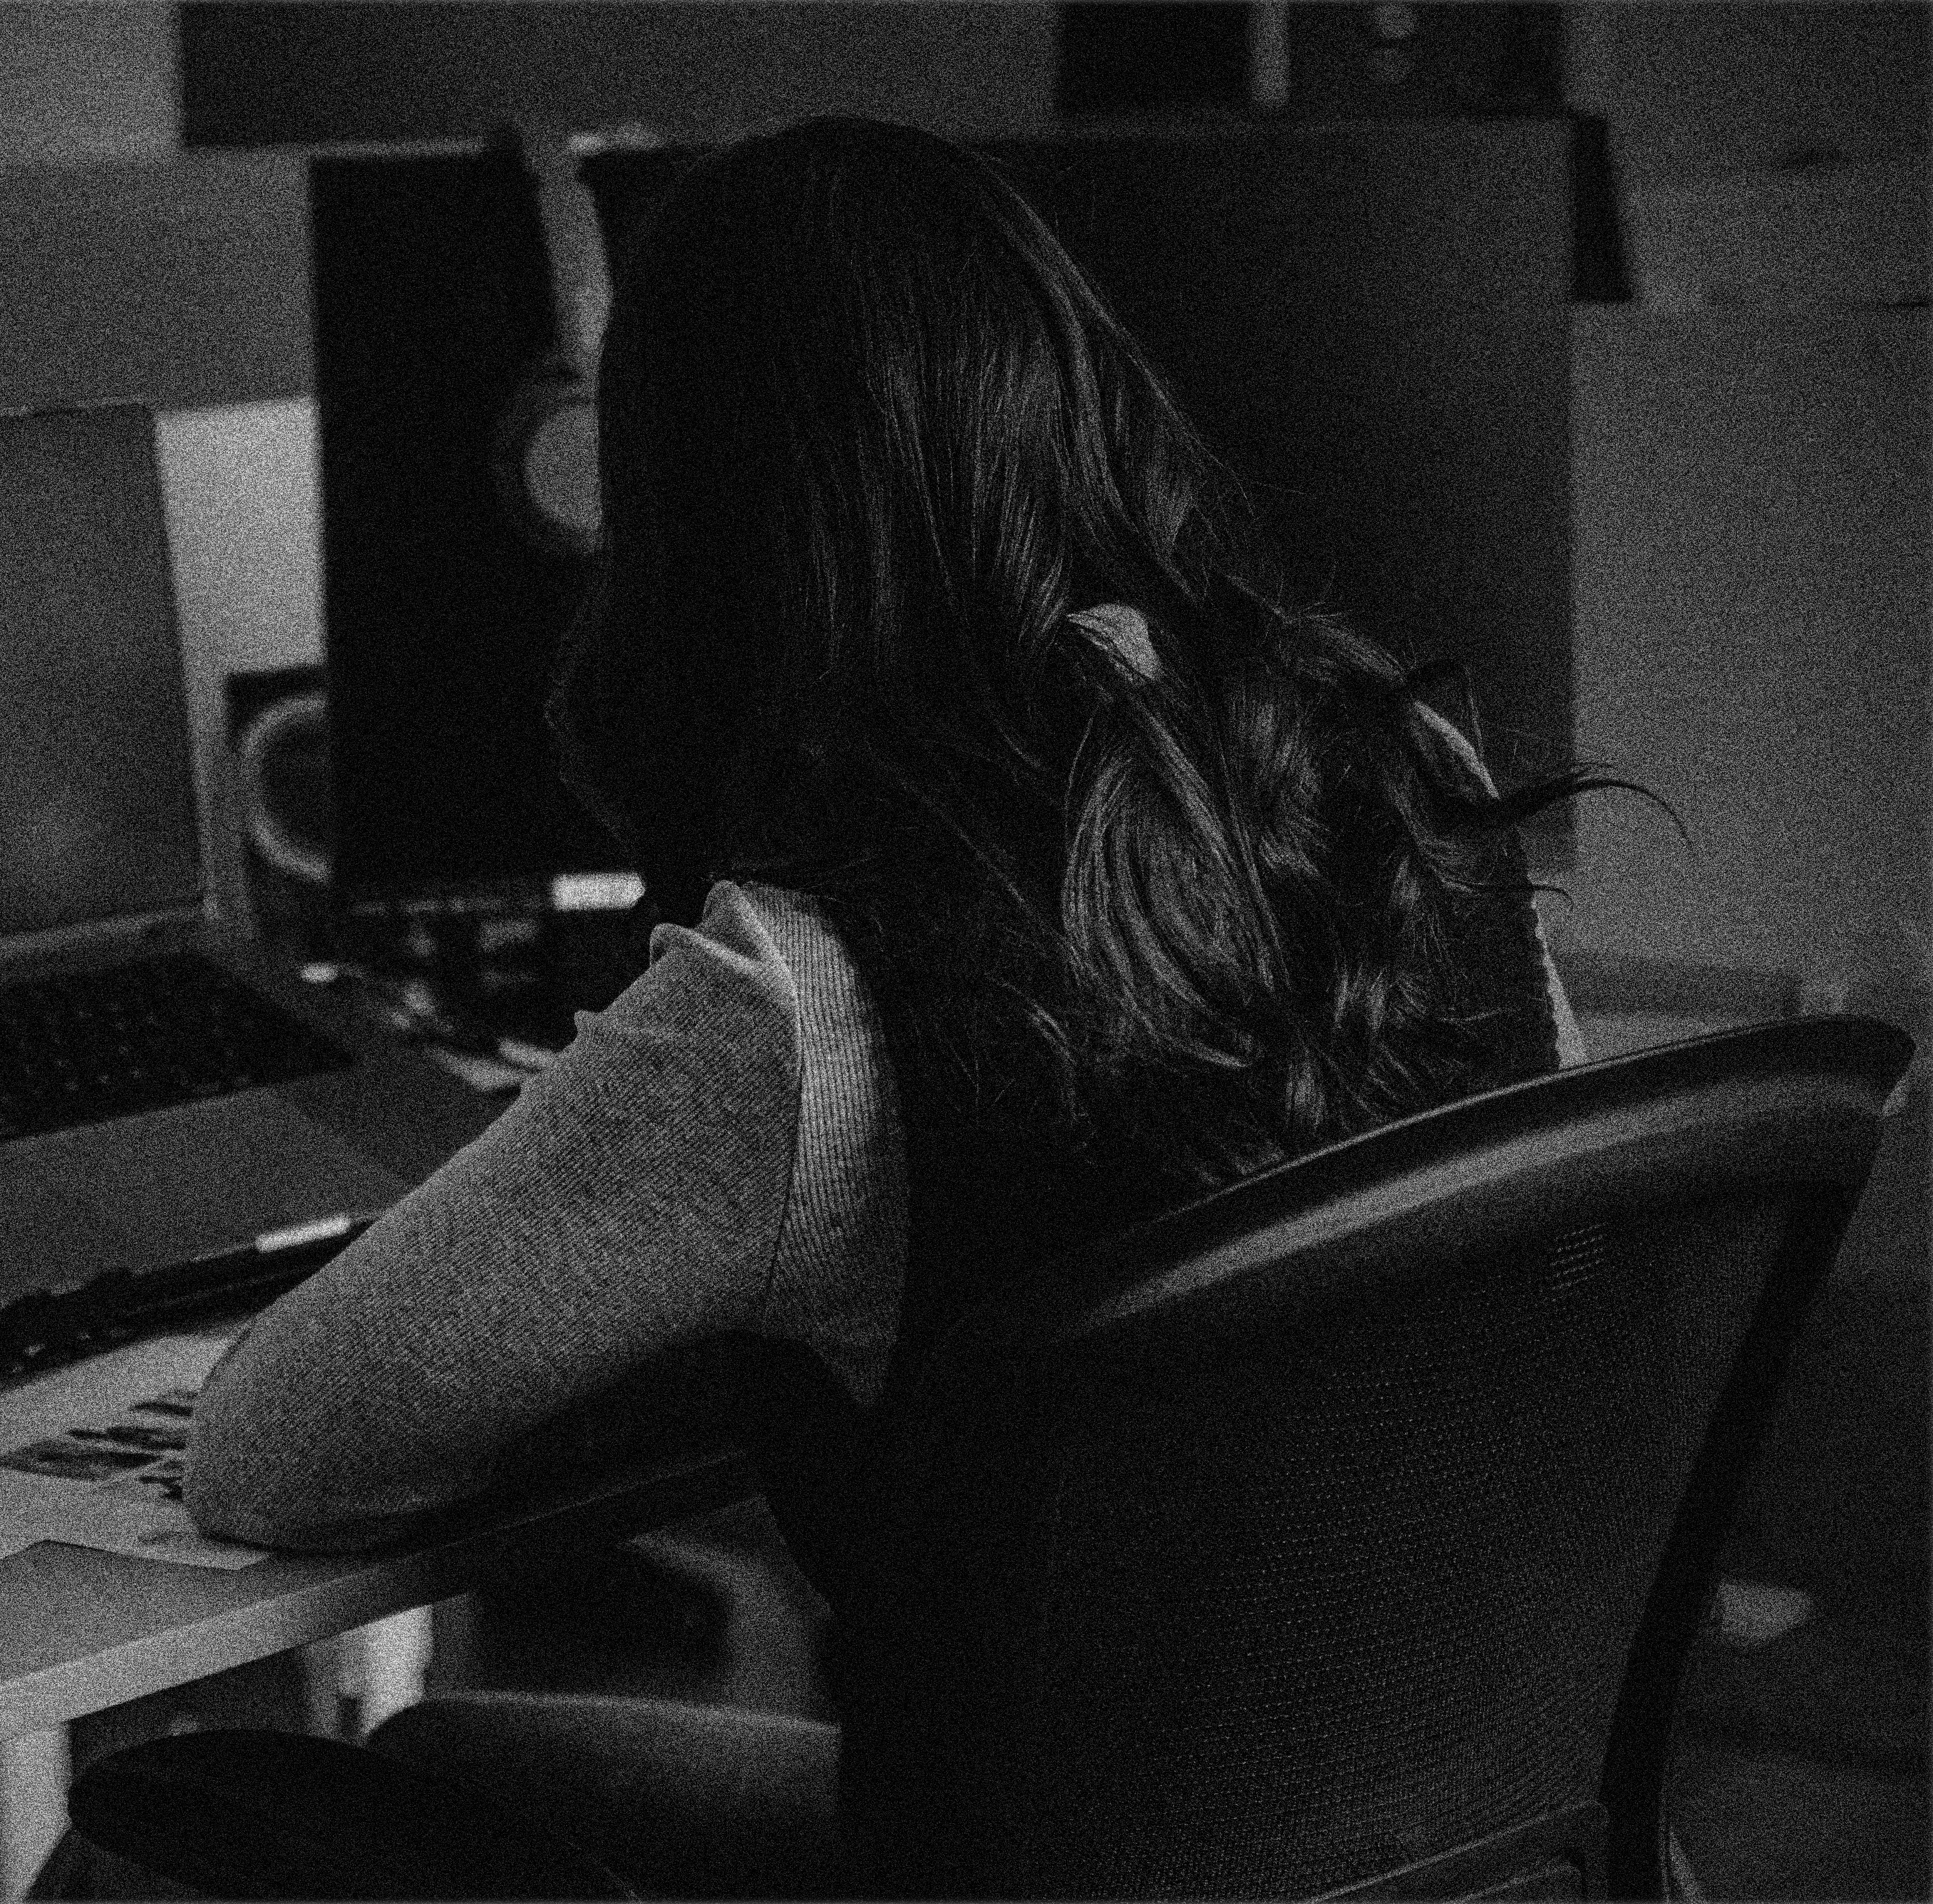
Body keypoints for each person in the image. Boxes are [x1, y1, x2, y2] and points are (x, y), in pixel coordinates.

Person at [180, 116, 1599, 1898]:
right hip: (1462, 1859)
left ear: (696, 522)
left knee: (318, 1800)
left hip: (1026, 1877)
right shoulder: (1417, 792)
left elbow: (274, 1456)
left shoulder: (811, 989)